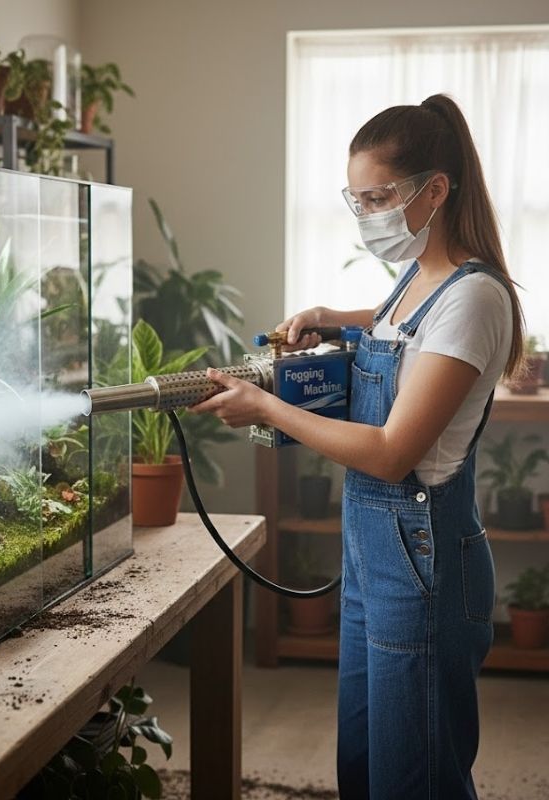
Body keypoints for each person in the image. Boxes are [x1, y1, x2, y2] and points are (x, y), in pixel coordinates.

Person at [190, 93, 526, 800]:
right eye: (358, 198)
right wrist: (326, 319)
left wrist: (266, 406)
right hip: (374, 556)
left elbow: (391, 452)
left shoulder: (474, 299)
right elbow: (391, 324)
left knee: (415, 778)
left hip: (424, 557)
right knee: (367, 768)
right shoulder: (416, 278)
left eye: (381, 196)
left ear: (435, 190)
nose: (369, 213)